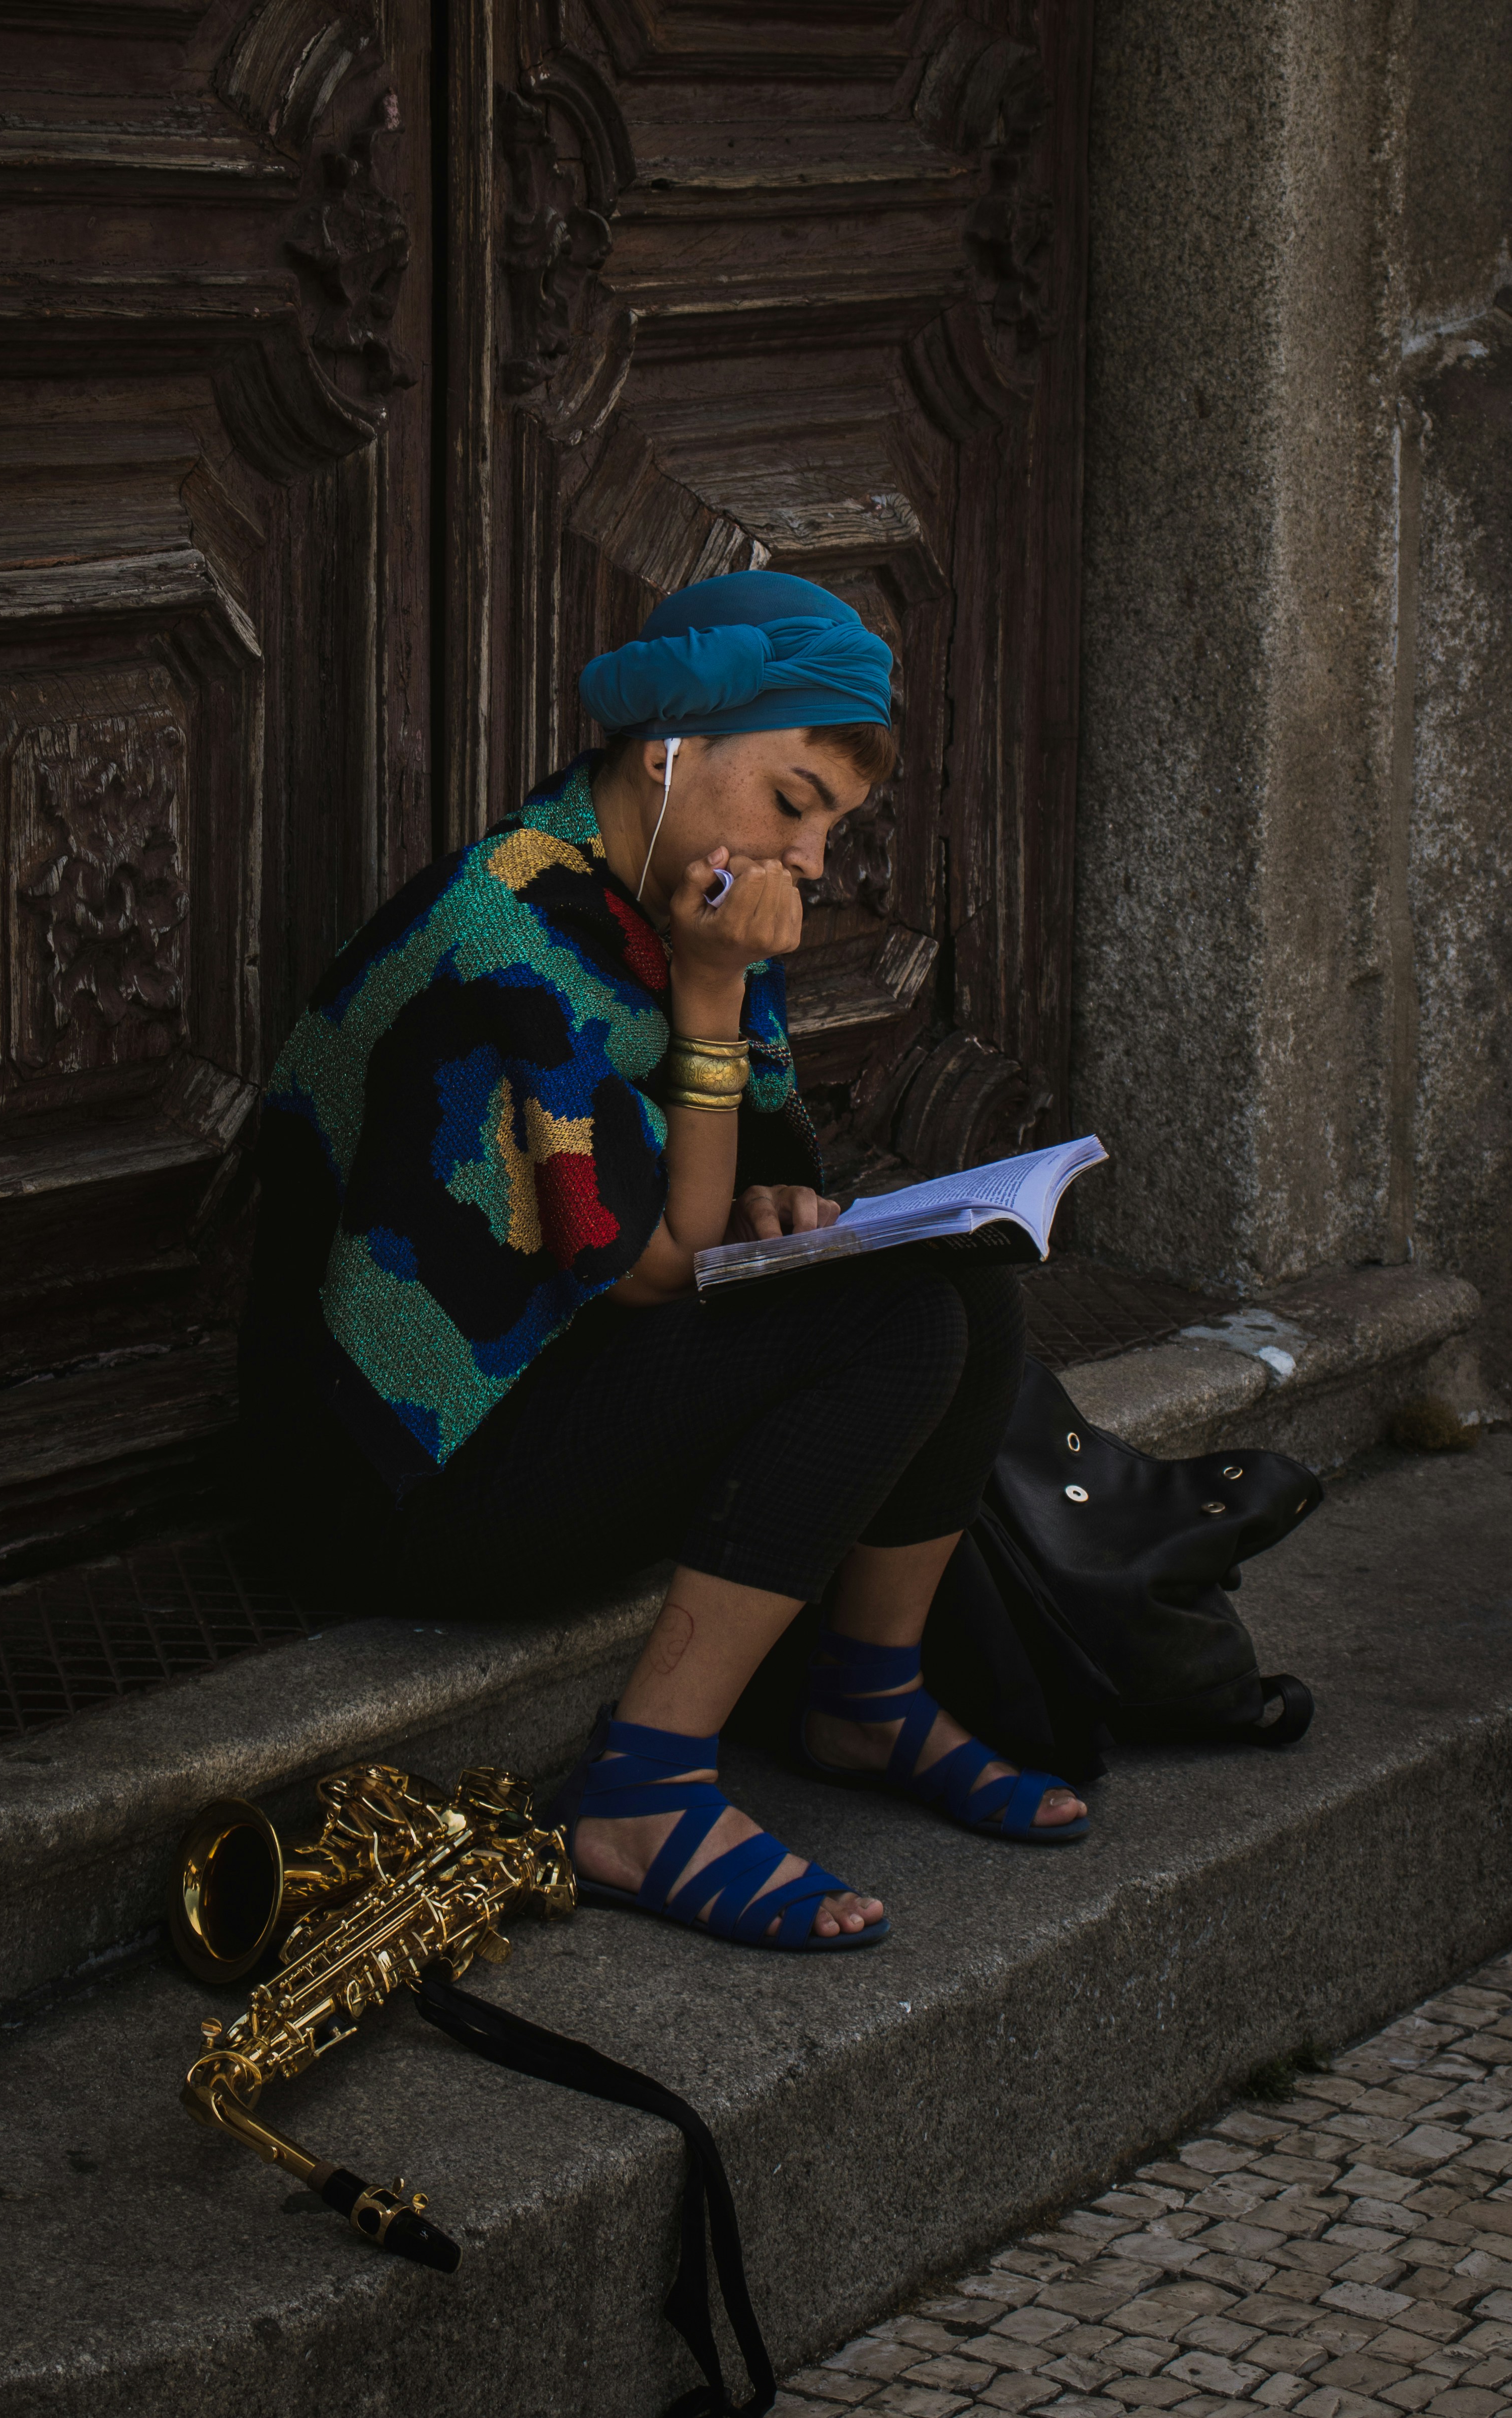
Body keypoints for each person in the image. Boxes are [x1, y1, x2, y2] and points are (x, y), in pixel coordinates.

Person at [240, 570, 1089, 1958]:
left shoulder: (679, 894)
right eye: (796, 802)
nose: (812, 860)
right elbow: (654, 1264)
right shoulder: (510, 930)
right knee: (892, 1335)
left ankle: (867, 1695)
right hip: (405, 1476)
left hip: (557, 1383)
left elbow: (757, 1164)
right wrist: (702, 999)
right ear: (669, 751)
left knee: (969, 1283)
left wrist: (786, 1197)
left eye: (832, 826)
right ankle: (639, 1793)